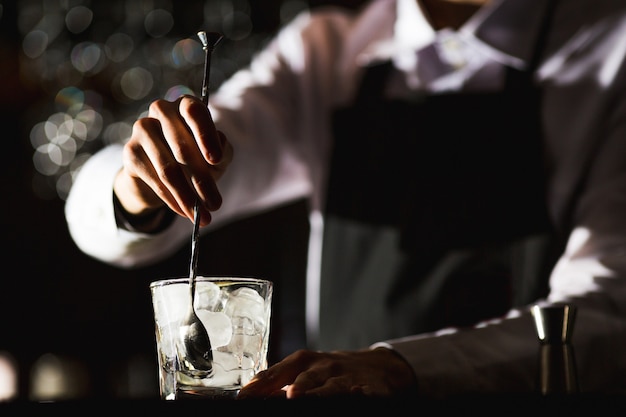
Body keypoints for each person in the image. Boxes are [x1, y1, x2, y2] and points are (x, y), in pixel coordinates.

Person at [65, 0, 626, 398]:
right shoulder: (325, 51)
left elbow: (607, 316)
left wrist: (400, 367)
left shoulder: (612, 48)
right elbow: (98, 214)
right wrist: (136, 187)